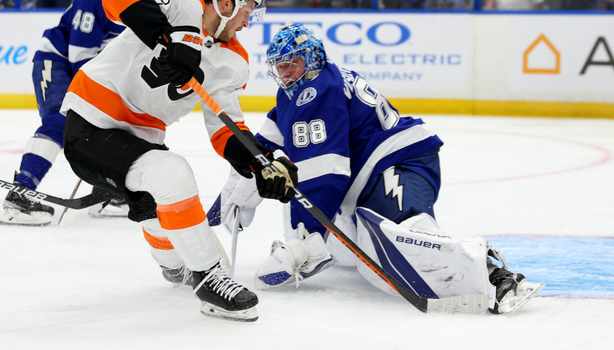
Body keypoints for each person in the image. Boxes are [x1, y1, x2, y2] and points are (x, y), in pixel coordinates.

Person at [212, 23, 544, 315]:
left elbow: (325, 173)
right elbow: (260, 149)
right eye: (280, 68)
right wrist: (236, 189)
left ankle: (494, 275)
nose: (285, 75)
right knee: (370, 266)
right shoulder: (295, 93)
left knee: (403, 236)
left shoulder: (317, 91)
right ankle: (319, 241)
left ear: (311, 59)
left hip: (396, 163)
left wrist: (305, 241)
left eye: (292, 65)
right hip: (368, 176)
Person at [58, 0, 298, 322]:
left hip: (140, 142)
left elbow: (225, 129)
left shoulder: (233, 60)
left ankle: (174, 266)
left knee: (157, 199)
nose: (249, 21)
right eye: (248, 9)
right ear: (226, 1)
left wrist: (262, 161)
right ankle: (207, 278)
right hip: (91, 123)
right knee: (172, 173)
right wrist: (164, 37)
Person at [0, 0, 146, 226]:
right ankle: (20, 194)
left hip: (90, 69)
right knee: (59, 121)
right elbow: (79, 56)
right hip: (56, 61)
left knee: (112, 126)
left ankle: (107, 191)